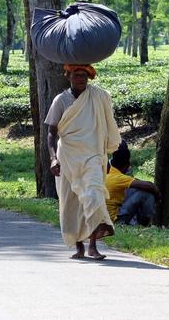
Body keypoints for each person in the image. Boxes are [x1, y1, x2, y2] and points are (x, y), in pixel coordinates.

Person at [46, 64, 121, 260]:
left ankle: (93, 246)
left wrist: (106, 156)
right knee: (72, 202)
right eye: (77, 75)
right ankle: (79, 246)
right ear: (68, 76)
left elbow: (106, 126)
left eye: (84, 75)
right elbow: (51, 133)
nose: (81, 79)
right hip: (68, 157)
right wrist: (53, 158)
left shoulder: (98, 97)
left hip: (93, 156)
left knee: (94, 194)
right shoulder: (61, 100)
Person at [106, 143, 161, 226]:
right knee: (146, 193)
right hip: (114, 220)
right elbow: (150, 186)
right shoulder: (119, 177)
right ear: (127, 166)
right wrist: (158, 196)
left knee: (136, 189)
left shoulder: (109, 171)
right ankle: (145, 224)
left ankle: (137, 221)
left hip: (105, 216)